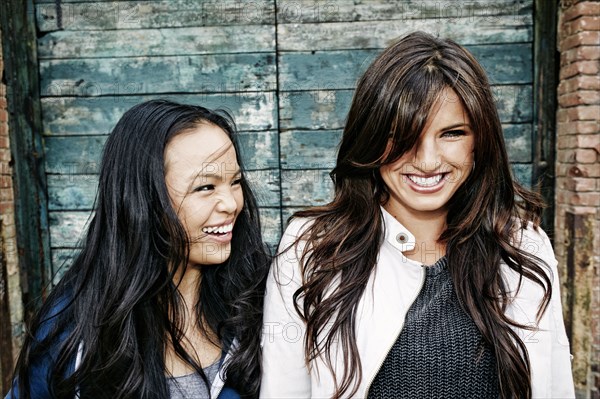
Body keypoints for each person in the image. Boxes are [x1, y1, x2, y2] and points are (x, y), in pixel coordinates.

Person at [260, 31, 575, 399]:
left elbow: (555, 386)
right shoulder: (311, 248)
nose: (427, 161)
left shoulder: (523, 245)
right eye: (402, 134)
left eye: (452, 133)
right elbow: (283, 390)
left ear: (480, 140)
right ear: (371, 137)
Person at [6, 100, 270, 399]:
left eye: (235, 182)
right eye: (205, 187)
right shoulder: (73, 327)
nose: (232, 204)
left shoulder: (260, 302)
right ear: (143, 199)